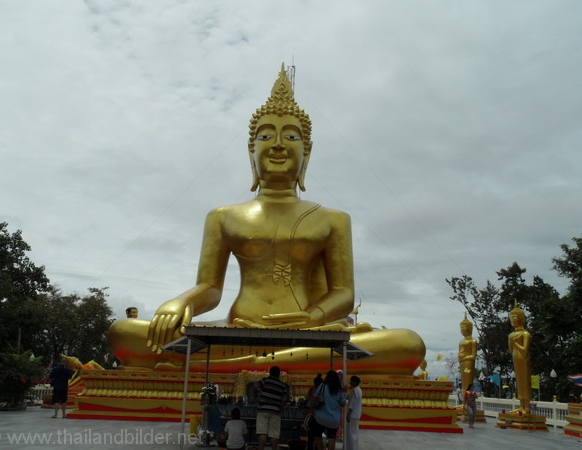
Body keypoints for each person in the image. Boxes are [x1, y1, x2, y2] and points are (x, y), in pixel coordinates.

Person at [107, 65, 425, 375]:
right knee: (125, 332)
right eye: (265, 136)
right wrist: (180, 303)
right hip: (235, 333)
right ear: (250, 151)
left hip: (309, 334)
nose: (276, 144)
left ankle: (247, 364)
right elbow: (210, 288)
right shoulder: (224, 217)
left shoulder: (333, 219)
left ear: (307, 153)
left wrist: (313, 317)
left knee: (408, 343)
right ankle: (284, 363)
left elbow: (343, 293)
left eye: (290, 136)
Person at [255, 366, 290, 450]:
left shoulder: (264, 381)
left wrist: (257, 397)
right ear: (279, 374)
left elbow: (254, 387)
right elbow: (283, 401)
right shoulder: (283, 386)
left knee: (262, 432)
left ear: (270, 373)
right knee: (274, 434)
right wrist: (279, 409)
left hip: (263, 409)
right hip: (275, 411)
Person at [312, 370, 346, 450]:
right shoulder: (339, 390)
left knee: (317, 436)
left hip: (320, 417)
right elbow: (343, 403)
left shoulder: (322, 386)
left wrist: (312, 409)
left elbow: (314, 398)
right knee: (332, 438)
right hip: (333, 419)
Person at [508, 301, 532, 414]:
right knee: (519, 381)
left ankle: (526, 407)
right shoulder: (511, 335)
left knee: (524, 380)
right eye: (510, 317)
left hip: (523, 359)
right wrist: (512, 341)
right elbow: (510, 350)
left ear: (521, 318)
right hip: (516, 358)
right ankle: (521, 405)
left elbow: (524, 349)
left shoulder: (525, 334)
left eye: (514, 317)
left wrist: (515, 342)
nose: (512, 319)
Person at [458, 313, 477, 406]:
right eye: (461, 328)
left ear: (469, 328)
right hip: (462, 363)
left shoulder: (472, 341)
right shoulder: (461, 342)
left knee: (468, 381)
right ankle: (464, 402)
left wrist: (465, 357)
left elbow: (473, 355)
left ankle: (469, 402)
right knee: (464, 382)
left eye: (464, 327)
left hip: (468, 363)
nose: (462, 330)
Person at [306, 373, 324, 450]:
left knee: (310, 433)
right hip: (321, 415)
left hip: (311, 414)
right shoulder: (324, 391)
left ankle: (310, 447)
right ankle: (317, 447)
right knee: (318, 434)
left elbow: (307, 400)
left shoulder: (311, 390)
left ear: (314, 383)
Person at [346, 375, 362, 450]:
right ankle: (354, 447)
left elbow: (352, 403)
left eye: (351, 381)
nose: (350, 383)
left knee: (351, 433)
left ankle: (351, 448)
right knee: (354, 432)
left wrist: (349, 414)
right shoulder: (359, 390)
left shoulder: (355, 391)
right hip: (356, 414)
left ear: (355, 382)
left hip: (352, 415)